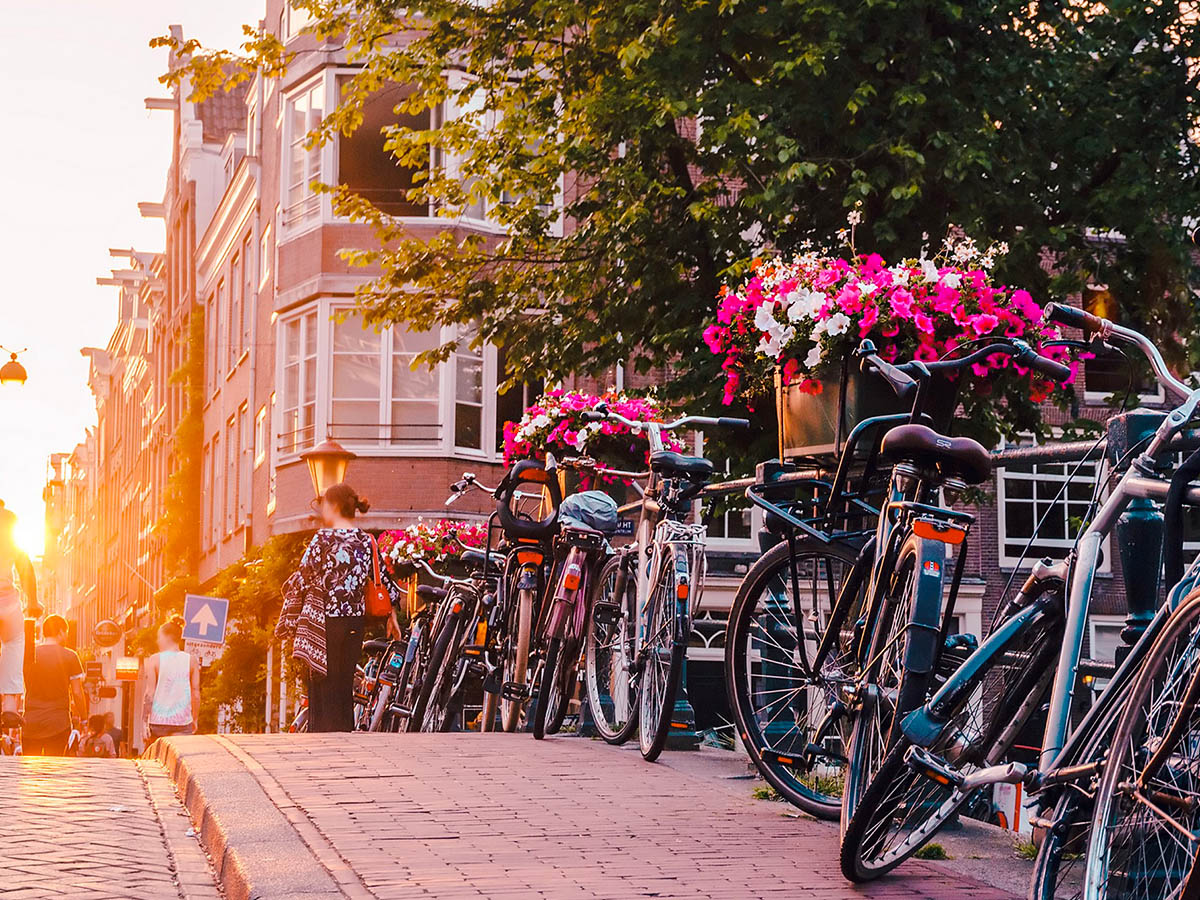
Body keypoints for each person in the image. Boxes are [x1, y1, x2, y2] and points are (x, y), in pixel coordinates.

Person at [275, 483, 401, 732]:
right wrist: (392, 616)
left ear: (333, 506)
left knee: (322, 677)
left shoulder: (322, 538)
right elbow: (383, 581)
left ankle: (322, 732)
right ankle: (344, 732)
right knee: (344, 681)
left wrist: (288, 615)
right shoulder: (367, 541)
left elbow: (303, 576)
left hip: (325, 621)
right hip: (354, 621)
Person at [0, 503, 38, 741]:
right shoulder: (13, 546)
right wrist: (34, 601)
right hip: (8, 602)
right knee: (14, 642)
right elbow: (27, 572)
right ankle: (10, 707)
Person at [24, 614, 86, 755]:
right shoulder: (70, 656)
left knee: (29, 769)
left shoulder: (29, 655)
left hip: (31, 721)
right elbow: (77, 692)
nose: (66, 637)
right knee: (54, 767)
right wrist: (84, 719)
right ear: (60, 632)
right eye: (66, 633)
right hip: (58, 723)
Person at [143, 614, 200, 741]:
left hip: (158, 722)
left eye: (159, 637)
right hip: (183, 722)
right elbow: (195, 693)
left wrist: (144, 721)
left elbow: (149, 693)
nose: (157, 641)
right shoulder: (191, 660)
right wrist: (195, 719)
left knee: (156, 759)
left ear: (166, 637)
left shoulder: (155, 660)